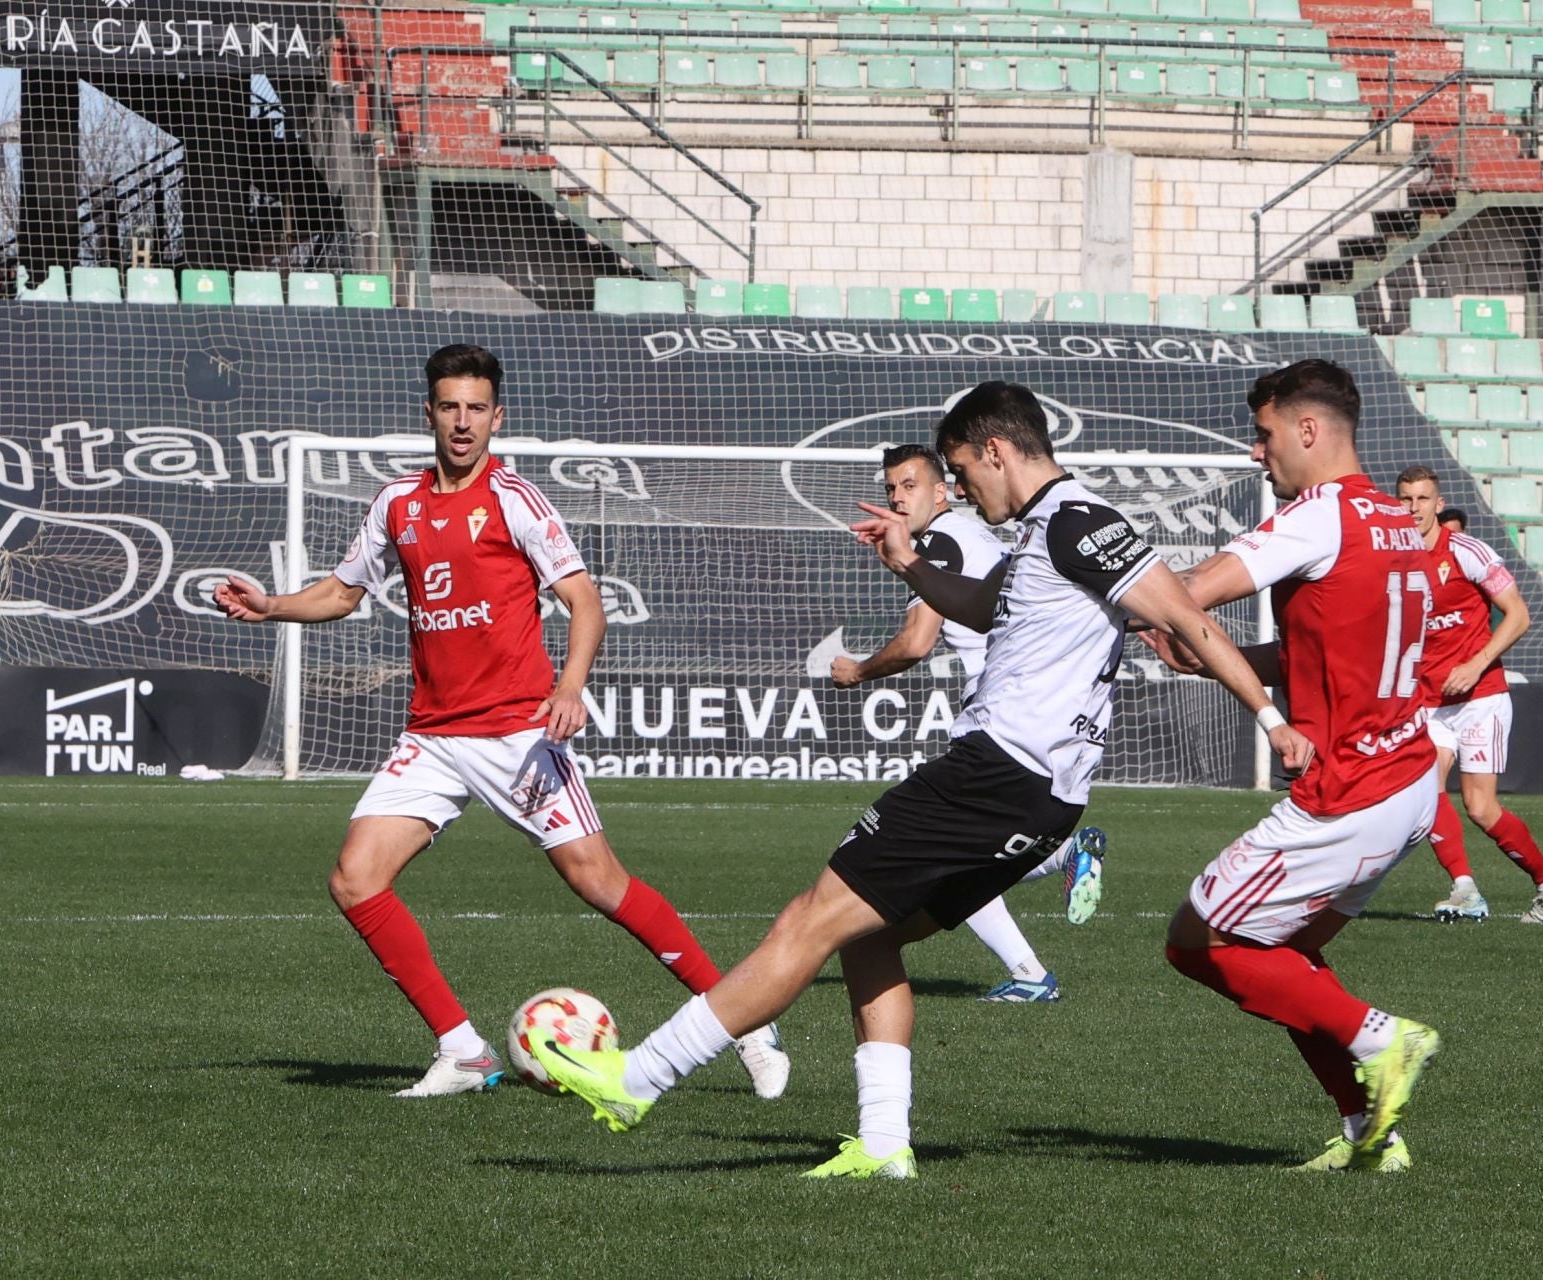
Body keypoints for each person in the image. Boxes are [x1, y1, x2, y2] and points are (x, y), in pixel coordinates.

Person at [534, 380, 1305, 1179]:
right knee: (870, 940)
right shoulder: (1044, 532)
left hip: (995, 772)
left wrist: (1270, 718)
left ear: (996, 451)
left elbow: (1188, 617)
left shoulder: (1080, 523)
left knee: (808, 921)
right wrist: (907, 561)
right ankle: (883, 1144)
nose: (962, 487)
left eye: (963, 470)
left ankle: (637, 1079)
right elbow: (981, 607)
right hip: (1039, 795)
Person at [213, 344, 789, 1099]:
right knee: (356, 880)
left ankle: (744, 1025)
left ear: (497, 417)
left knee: (600, 882)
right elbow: (344, 592)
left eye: (476, 408)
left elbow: (586, 600)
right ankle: (465, 1052)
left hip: (519, 733)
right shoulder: (397, 503)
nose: (462, 422)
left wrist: (571, 686)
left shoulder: (516, 499)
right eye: (450, 406)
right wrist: (272, 606)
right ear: (430, 413)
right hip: (432, 736)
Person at [1144, 359, 1443, 1173]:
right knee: (1289, 960)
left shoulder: (1319, 515)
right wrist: (1225, 662)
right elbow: (1325, 648)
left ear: (1308, 431)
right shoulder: (1395, 520)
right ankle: (1367, 1133)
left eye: (1265, 433)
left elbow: (1190, 591)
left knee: (1198, 942)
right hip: (1410, 778)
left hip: (1349, 791)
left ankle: (1387, 1040)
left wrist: (1115, 591)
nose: (1255, 451)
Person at [830, 442, 1107, 1003]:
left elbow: (916, 642)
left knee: (915, 860)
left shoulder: (941, 542)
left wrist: (857, 672)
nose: (897, 499)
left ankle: (1033, 963)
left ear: (943, 490)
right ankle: (1046, 912)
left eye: (909, 486)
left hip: (1000, 714)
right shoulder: (970, 535)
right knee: (963, 855)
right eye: (890, 489)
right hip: (1024, 710)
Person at [1395, 466, 1543, 925]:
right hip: (1429, 702)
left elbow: (1518, 615)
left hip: (1481, 697)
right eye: (1405, 499)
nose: (1412, 508)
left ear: (1438, 504)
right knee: (1425, 793)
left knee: (1480, 807)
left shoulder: (1466, 551)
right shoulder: (1393, 560)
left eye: (1421, 499)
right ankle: (1464, 888)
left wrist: (1474, 664)